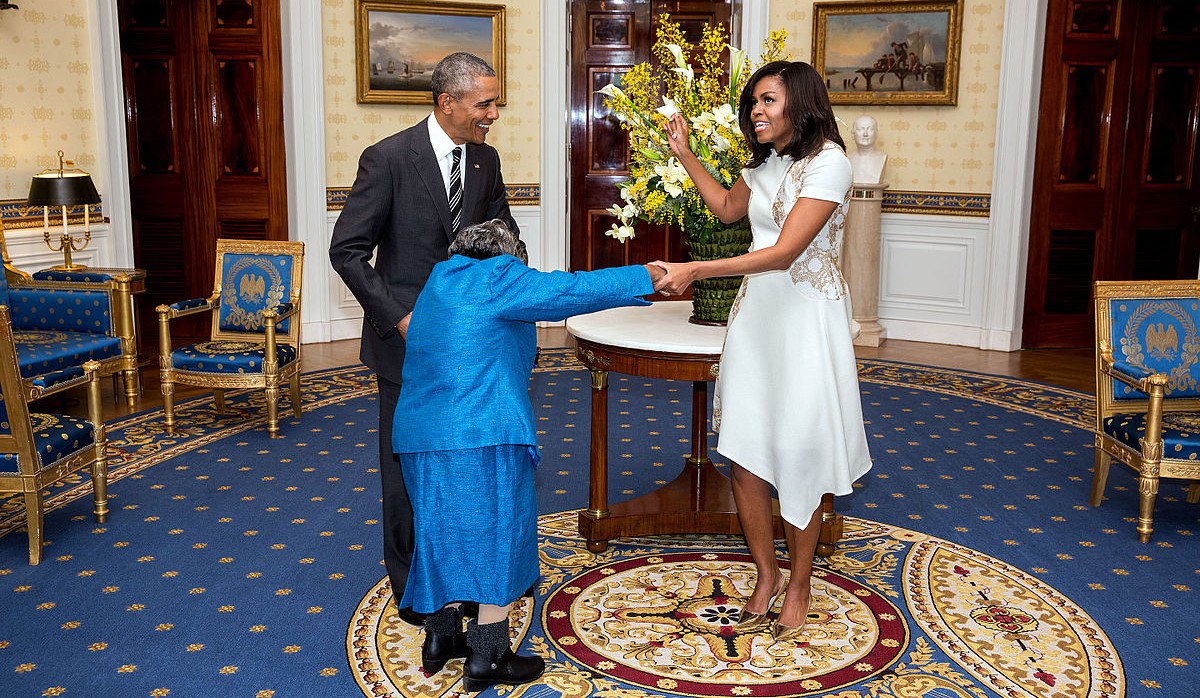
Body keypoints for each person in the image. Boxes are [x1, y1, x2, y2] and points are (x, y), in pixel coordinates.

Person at [393, 219, 664, 691]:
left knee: (441, 535)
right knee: (500, 535)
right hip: (482, 433)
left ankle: (442, 638)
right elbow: (570, 290)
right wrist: (647, 275)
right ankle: (489, 656)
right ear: (510, 255)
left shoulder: (438, 282)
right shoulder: (499, 276)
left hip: (420, 435)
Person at [655, 61, 872, 642]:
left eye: (767, 100)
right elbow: (728, 209)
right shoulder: (767, 163)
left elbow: (783, 253)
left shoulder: (831, 163)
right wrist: (685, 155)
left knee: (801, 450)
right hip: (756, 321)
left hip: (805, 324)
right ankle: (767, 573)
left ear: (800, 102)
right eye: (753, 101)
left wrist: (695, 269)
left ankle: (799, 582)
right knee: (746, 453)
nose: (756, 110)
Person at [328, 52, 517, 627]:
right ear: (447, 102)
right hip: (406, 345)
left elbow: (503, 232)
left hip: (470, 345)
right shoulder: (386, 159)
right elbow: (348, 251)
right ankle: (412, 588)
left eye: (494, 102)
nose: (493, 114)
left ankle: (459, 573)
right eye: (484, 103)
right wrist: (402, 319)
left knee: (460, 462)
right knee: (405, 465)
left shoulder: (485, 160)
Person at [848, 114, 887, 184]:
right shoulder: (847, 159)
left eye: (870, 129)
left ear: (876, 133)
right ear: (852, 134)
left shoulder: (883, 157)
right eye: (860, 130)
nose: (865, 134)